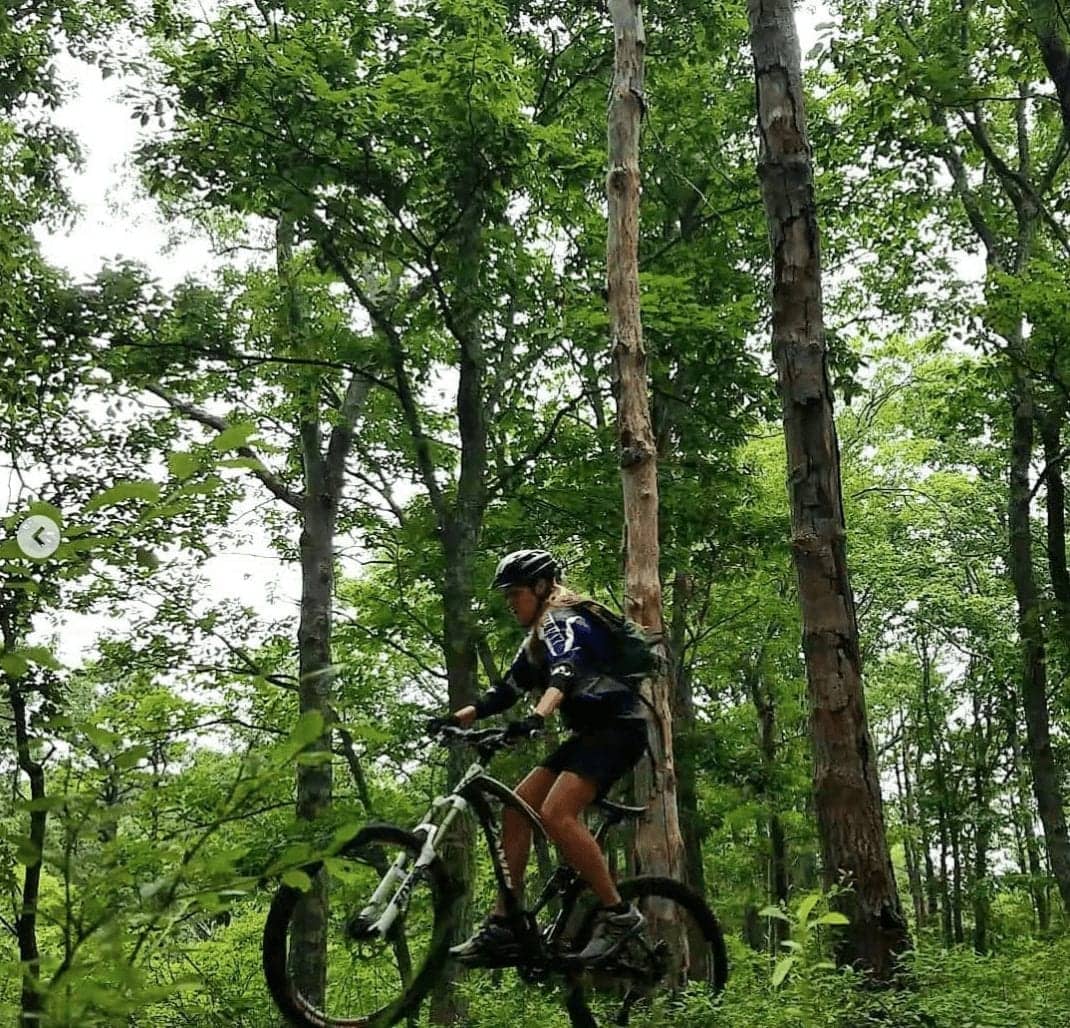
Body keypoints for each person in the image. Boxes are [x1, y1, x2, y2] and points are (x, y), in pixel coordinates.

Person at [429, 548, 649, 967]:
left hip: (618, 730)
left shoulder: (563, 620)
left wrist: (537, 718)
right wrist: (454, 719)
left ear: (541, 587)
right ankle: (506, 923)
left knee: (556, 815)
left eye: (515, 593)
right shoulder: (536, 638)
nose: (510, 601)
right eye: (507, 595)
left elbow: (566, 671)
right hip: (589, 734)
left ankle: (618, 914)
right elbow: (505, 691)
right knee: (517, 808)